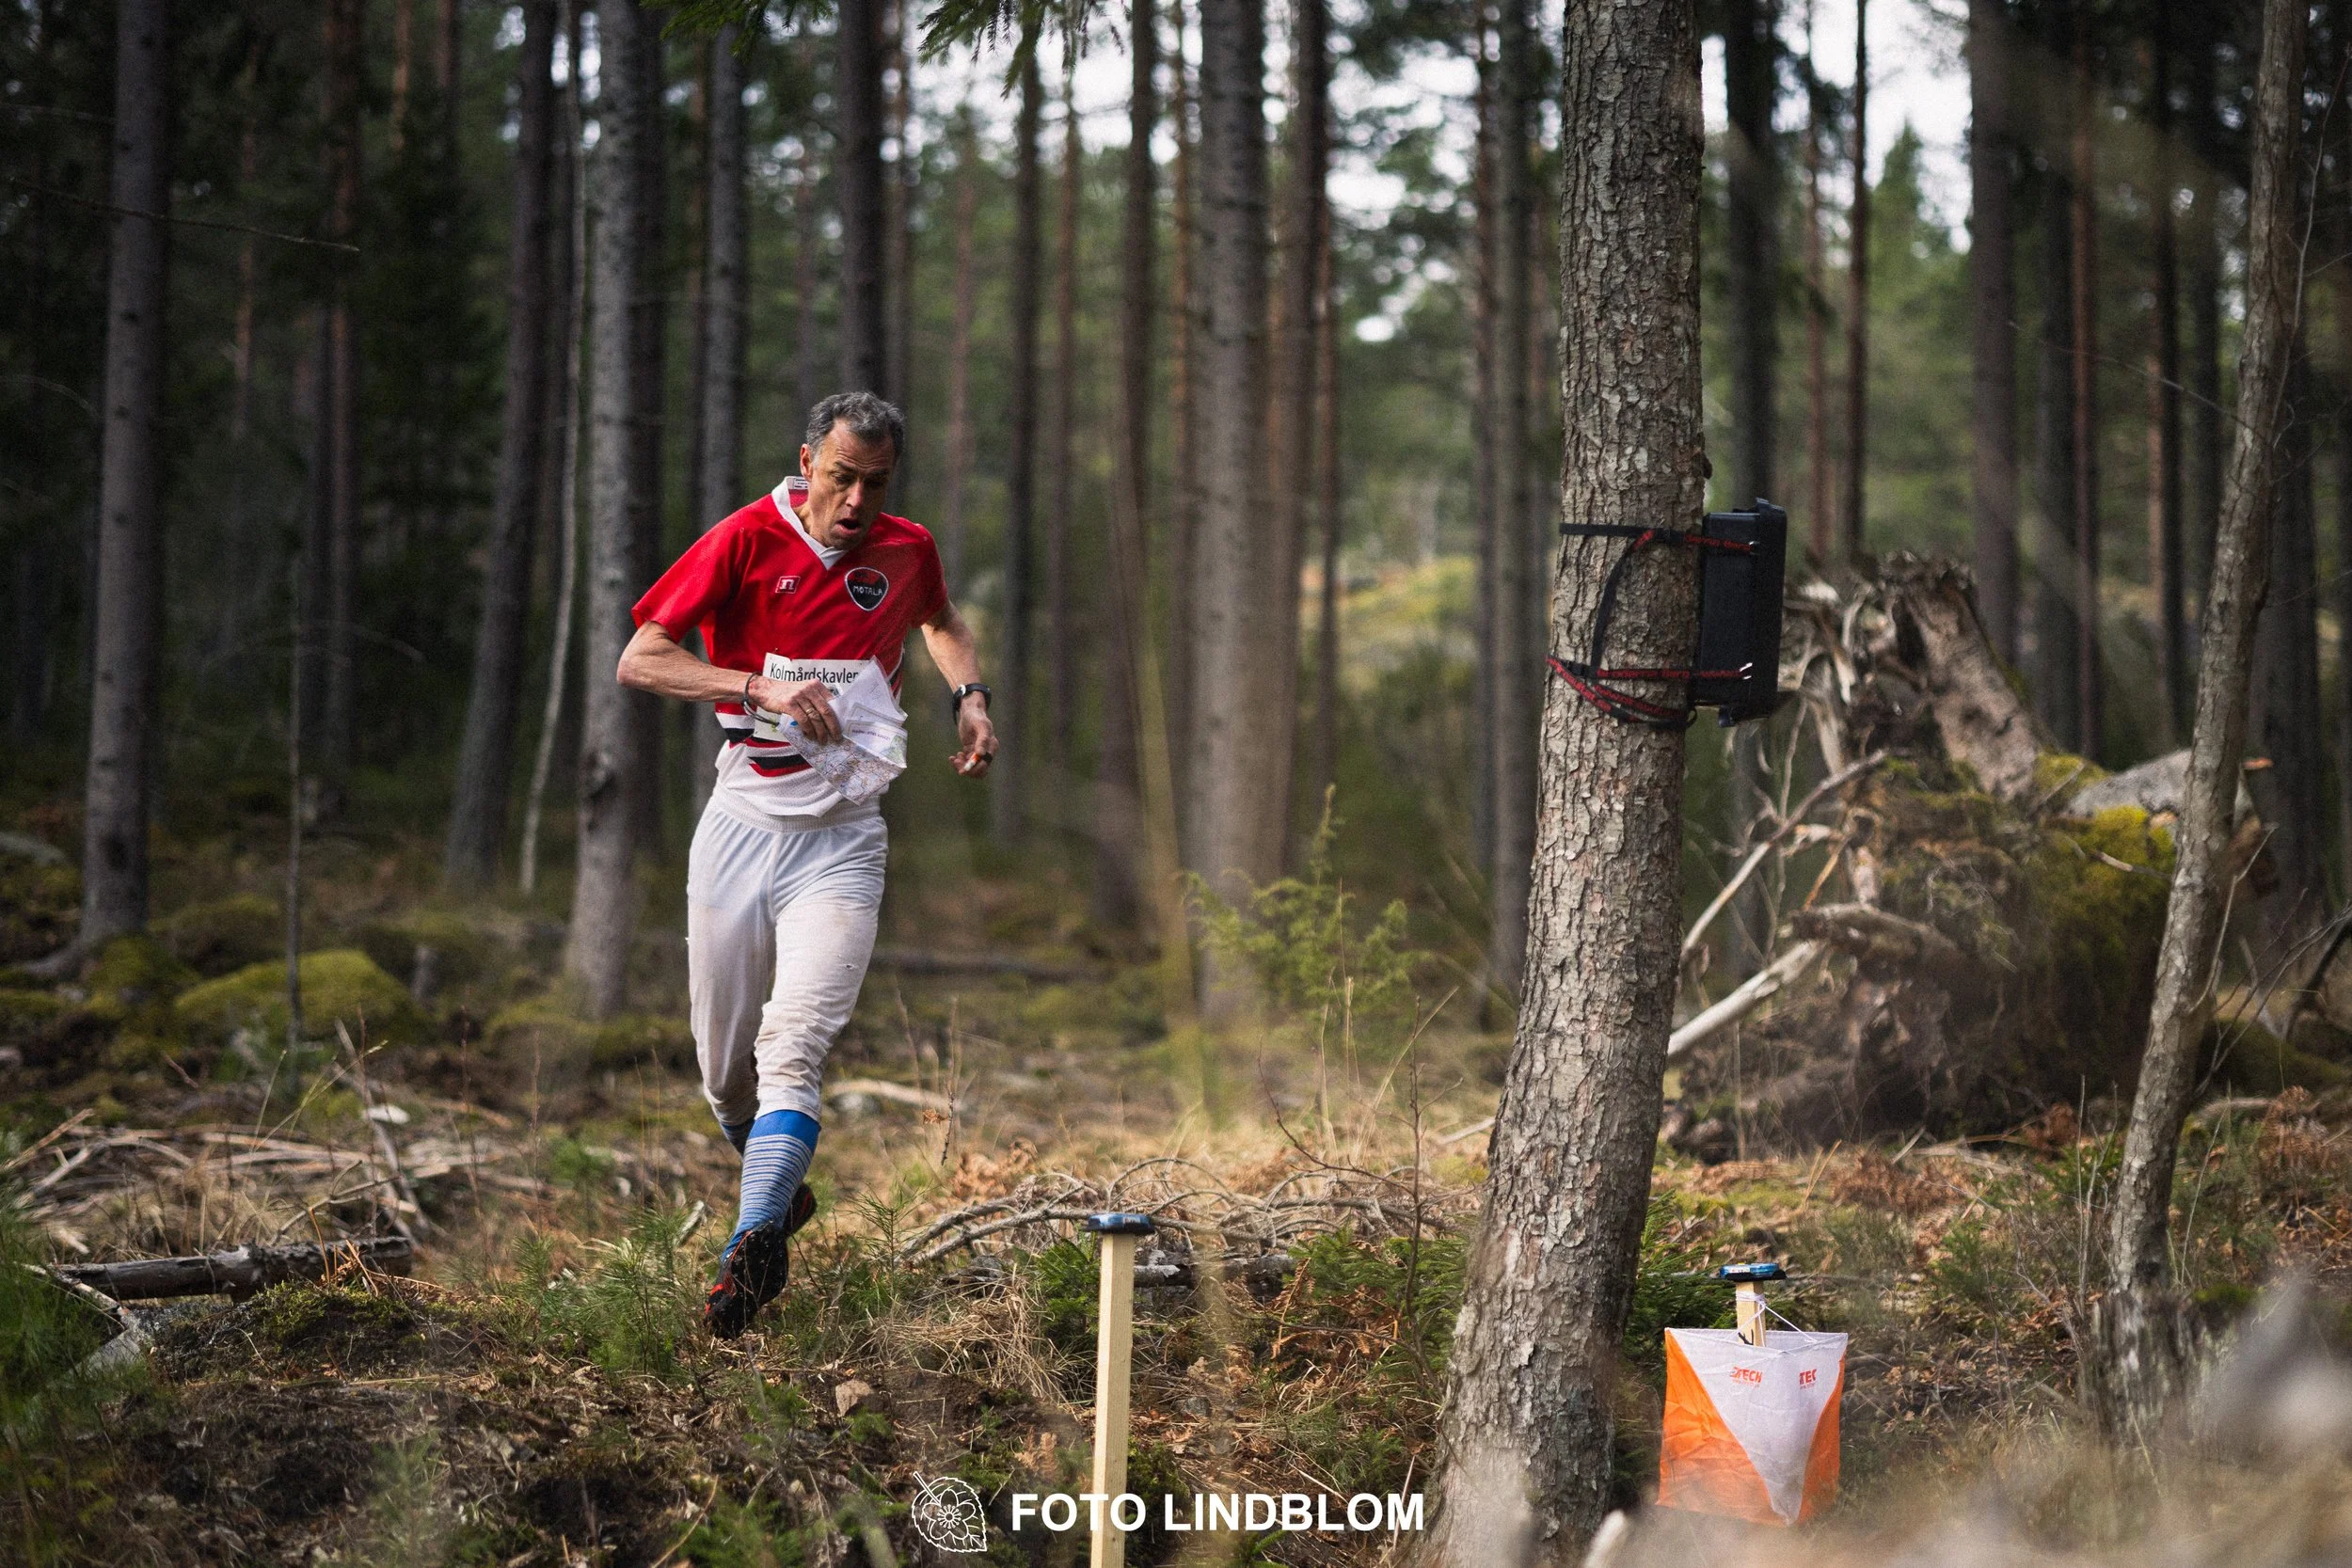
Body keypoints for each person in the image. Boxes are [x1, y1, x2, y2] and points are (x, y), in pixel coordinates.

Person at [617, 390, 996, 1338]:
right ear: (806, 462)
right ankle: (777, 1188)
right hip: (742, 826)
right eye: (841, 476)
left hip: (845, 839)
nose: (857, 499)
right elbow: (642, 657)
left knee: (795, 1041)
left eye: (875, 482)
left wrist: (971, 694)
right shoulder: (745, 538)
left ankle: (750, 1245)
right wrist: (757, 684)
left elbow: (941, 620)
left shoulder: (906, 547)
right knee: (723, 1071)